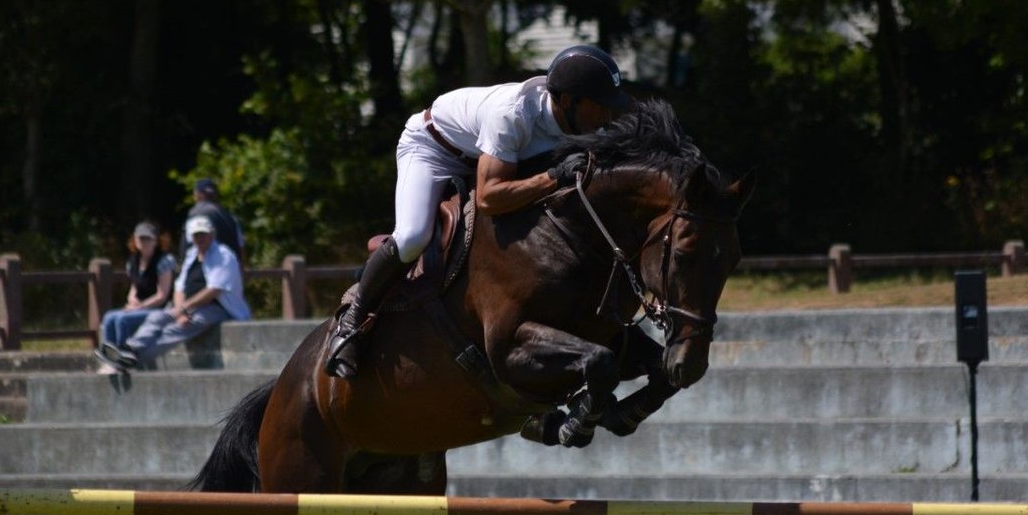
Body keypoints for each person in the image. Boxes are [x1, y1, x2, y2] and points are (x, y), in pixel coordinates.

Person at [325, 43, 633, 379]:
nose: (606, 117)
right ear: (568, 101)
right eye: (600, 107)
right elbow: (489, 198)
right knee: (413, 236)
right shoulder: (513, 114)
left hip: (487, 158)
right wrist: (552, 178)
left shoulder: (586, 126)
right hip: (433, 150)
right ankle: (352, 322)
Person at [96, 214, 251, 371]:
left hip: (218, 307)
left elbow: (214, 290)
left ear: (211, 234)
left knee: (174, 330)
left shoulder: (224, 255)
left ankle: (132, 361)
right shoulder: (192, 255)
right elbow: (180, 287)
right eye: (196, 235)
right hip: (188, 306)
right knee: (157, 318)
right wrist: (180, 309)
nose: (200, 238)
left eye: (203, 234)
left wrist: (184, 309)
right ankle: (129, 349)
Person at [94, 222, 177, 362]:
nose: (144, 242)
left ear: (155, 241)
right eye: (140, 239)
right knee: (109, 317)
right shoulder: (133, 261)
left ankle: (123, 356)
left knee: (122, 320)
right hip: (139, 307)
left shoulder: (164, 261)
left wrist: (139, 306)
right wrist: (131, 300)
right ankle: (108, 356)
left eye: (147, 239)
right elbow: (134, 287)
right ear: (135, 241)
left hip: (159, 309)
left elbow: (162, 295)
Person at [182, 177, 246, 264]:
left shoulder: (194, 214)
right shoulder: (231, 217)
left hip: (207, 271)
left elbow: (190, 245)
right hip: (229, 270)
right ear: (215, 195)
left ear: (197, 194)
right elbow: (241, 249)